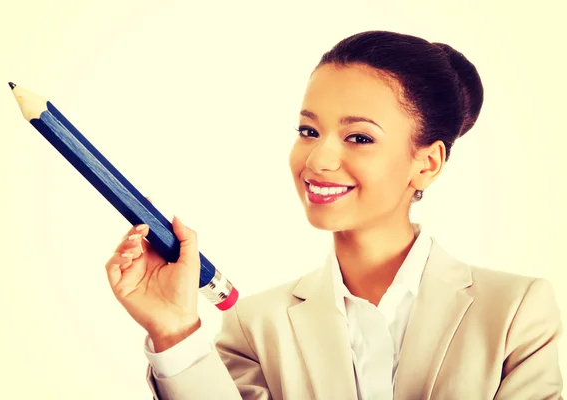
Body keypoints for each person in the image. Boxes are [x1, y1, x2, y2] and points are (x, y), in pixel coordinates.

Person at [104, 30, 563, 399]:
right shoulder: (256, 326)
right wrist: (175, 331)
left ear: (427, 163)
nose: (317, 159)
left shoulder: (514, 313)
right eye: (309, 130)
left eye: (358, 137)